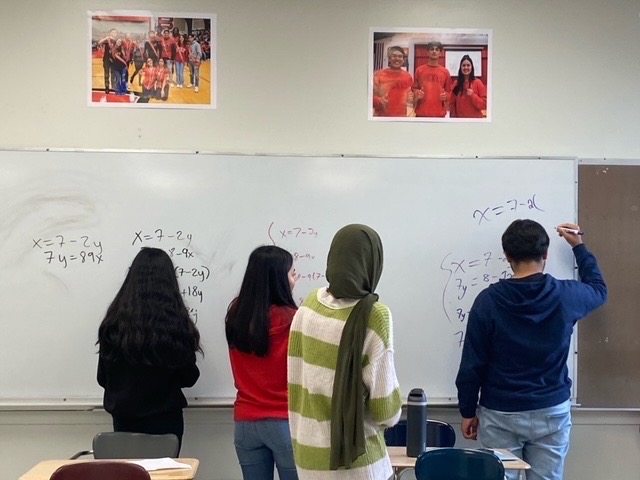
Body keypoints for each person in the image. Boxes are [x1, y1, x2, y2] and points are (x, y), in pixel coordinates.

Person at [455, 220, 607, 480]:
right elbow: (598, 290)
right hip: (551, 409)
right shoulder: (565, 295)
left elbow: (473, 362)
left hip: (501, 412)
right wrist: (578, 246)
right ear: (545, 254)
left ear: (508, 256)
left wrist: (468, 411)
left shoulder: (488, 301)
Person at [288, 224, 402, 479]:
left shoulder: (307, 307)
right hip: (359, 465)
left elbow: (295, 386)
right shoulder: (375, 316)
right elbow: (387, 411)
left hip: (309, 461)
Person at [97, 247, 203, 453]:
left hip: (124, 419)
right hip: (165, 421)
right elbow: (189, 378)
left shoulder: (113, 325)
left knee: (129, 475)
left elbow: (103, 378)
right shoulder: (175, 326)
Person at [225, 245, 299, 480]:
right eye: (291, 273)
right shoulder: (295, 319)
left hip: (246, 422)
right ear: (279, 278)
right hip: (284, 421)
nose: (294, 277)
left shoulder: (236, 313)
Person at [412, 41, 451, 117]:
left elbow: (449, 92)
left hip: (439, 115)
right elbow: (414, 88)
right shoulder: (419, 70)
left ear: (440, 53)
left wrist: (446, 96)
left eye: (437, 50)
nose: (434, 51)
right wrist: (417, 93)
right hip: (422, 114)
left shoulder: (445, 72)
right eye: (432, 49)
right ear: (427, 52)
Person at [372, 46, 414, 117]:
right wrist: (379, 101)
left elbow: (410, 97)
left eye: (400, 56)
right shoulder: (379, 75)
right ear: (389, 59)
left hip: (401, 117)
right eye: (394, 56)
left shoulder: (408, 76)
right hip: (381, 118)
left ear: (403, 59)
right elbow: (369, 97)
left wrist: (411, 98)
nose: (397, 58)